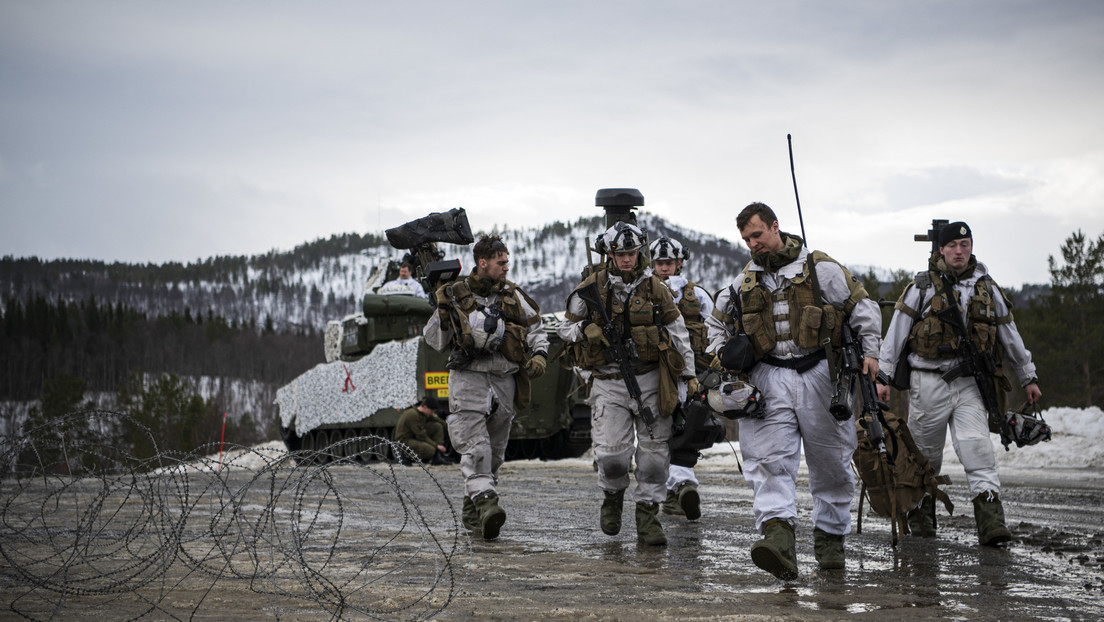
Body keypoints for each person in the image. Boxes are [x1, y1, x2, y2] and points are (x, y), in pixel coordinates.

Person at [706, 202, 881, 579]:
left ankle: (830, 540)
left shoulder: (819, 268)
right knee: (767, 461)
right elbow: (714, 326)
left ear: (775, 226)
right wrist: (725, 354)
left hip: (821, 372)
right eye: (746, 239)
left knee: (832, 461)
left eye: (757, 234)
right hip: (768, 377)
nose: (753, 244)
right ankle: (778, 539)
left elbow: (863, 308)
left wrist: (871, 354)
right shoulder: (743, 283)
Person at [876, 221, 1041, 546]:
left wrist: (1028, 376)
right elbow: (895, 335)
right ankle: (921, 522)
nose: (959, 251)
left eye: (965, 244)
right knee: (924, 456)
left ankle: (992, 523)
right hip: (928, 382)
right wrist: (882, 377)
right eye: (953, 245)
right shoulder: (921, 287)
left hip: (970, 385)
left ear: (970, 247)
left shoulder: (987, 288)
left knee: (977, 449)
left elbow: (1009, 335)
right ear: (942, 249)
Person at [558, 222, 696, 546]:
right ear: (609, 253)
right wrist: (585, 330)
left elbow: (679, 335)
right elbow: (564, 329)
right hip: (608, 380)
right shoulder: (591, 287)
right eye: (621, 253)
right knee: (612, 456)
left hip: (649, 379)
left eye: (632, 253)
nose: (627, 259)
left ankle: (648, 515)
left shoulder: (655, 288)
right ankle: (612, 497)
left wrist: (688, 375)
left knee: (652, 456)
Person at [424, 235, 549, 540]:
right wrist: (442, 311)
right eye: (500, 262)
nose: (506, 267)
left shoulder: (513, 295)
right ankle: (488, 503)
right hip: (469, 377)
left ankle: (473, 508)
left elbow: (536, 329)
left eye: (507, 261)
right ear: (483, 263)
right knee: (475, 448)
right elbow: (434, 340)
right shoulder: (454, 294)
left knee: (494, 452)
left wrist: (541, 356)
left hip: (505, 378)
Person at [649, 236, 715, 521]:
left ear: (679, 263)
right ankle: (678, 489)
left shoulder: (698, 296)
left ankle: (681, 485)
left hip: (691, 375)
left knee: (682, 429)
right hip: (654, 374)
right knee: (662, 431)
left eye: (669, 262)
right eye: (660, 263)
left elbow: (714, 329)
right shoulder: (643, 293)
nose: (664, 268)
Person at [393, 395, 452, 465]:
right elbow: (421, 435)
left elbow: (439, 421)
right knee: (430, 450)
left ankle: (437, 457)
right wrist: (437, 446)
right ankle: (406, 456)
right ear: (425, 407)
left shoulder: (424, 414)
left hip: (414, 437)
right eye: (431, 411)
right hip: (405, 440)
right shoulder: (413, 414)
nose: (432, 413)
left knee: (437, 426)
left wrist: (452, 428)